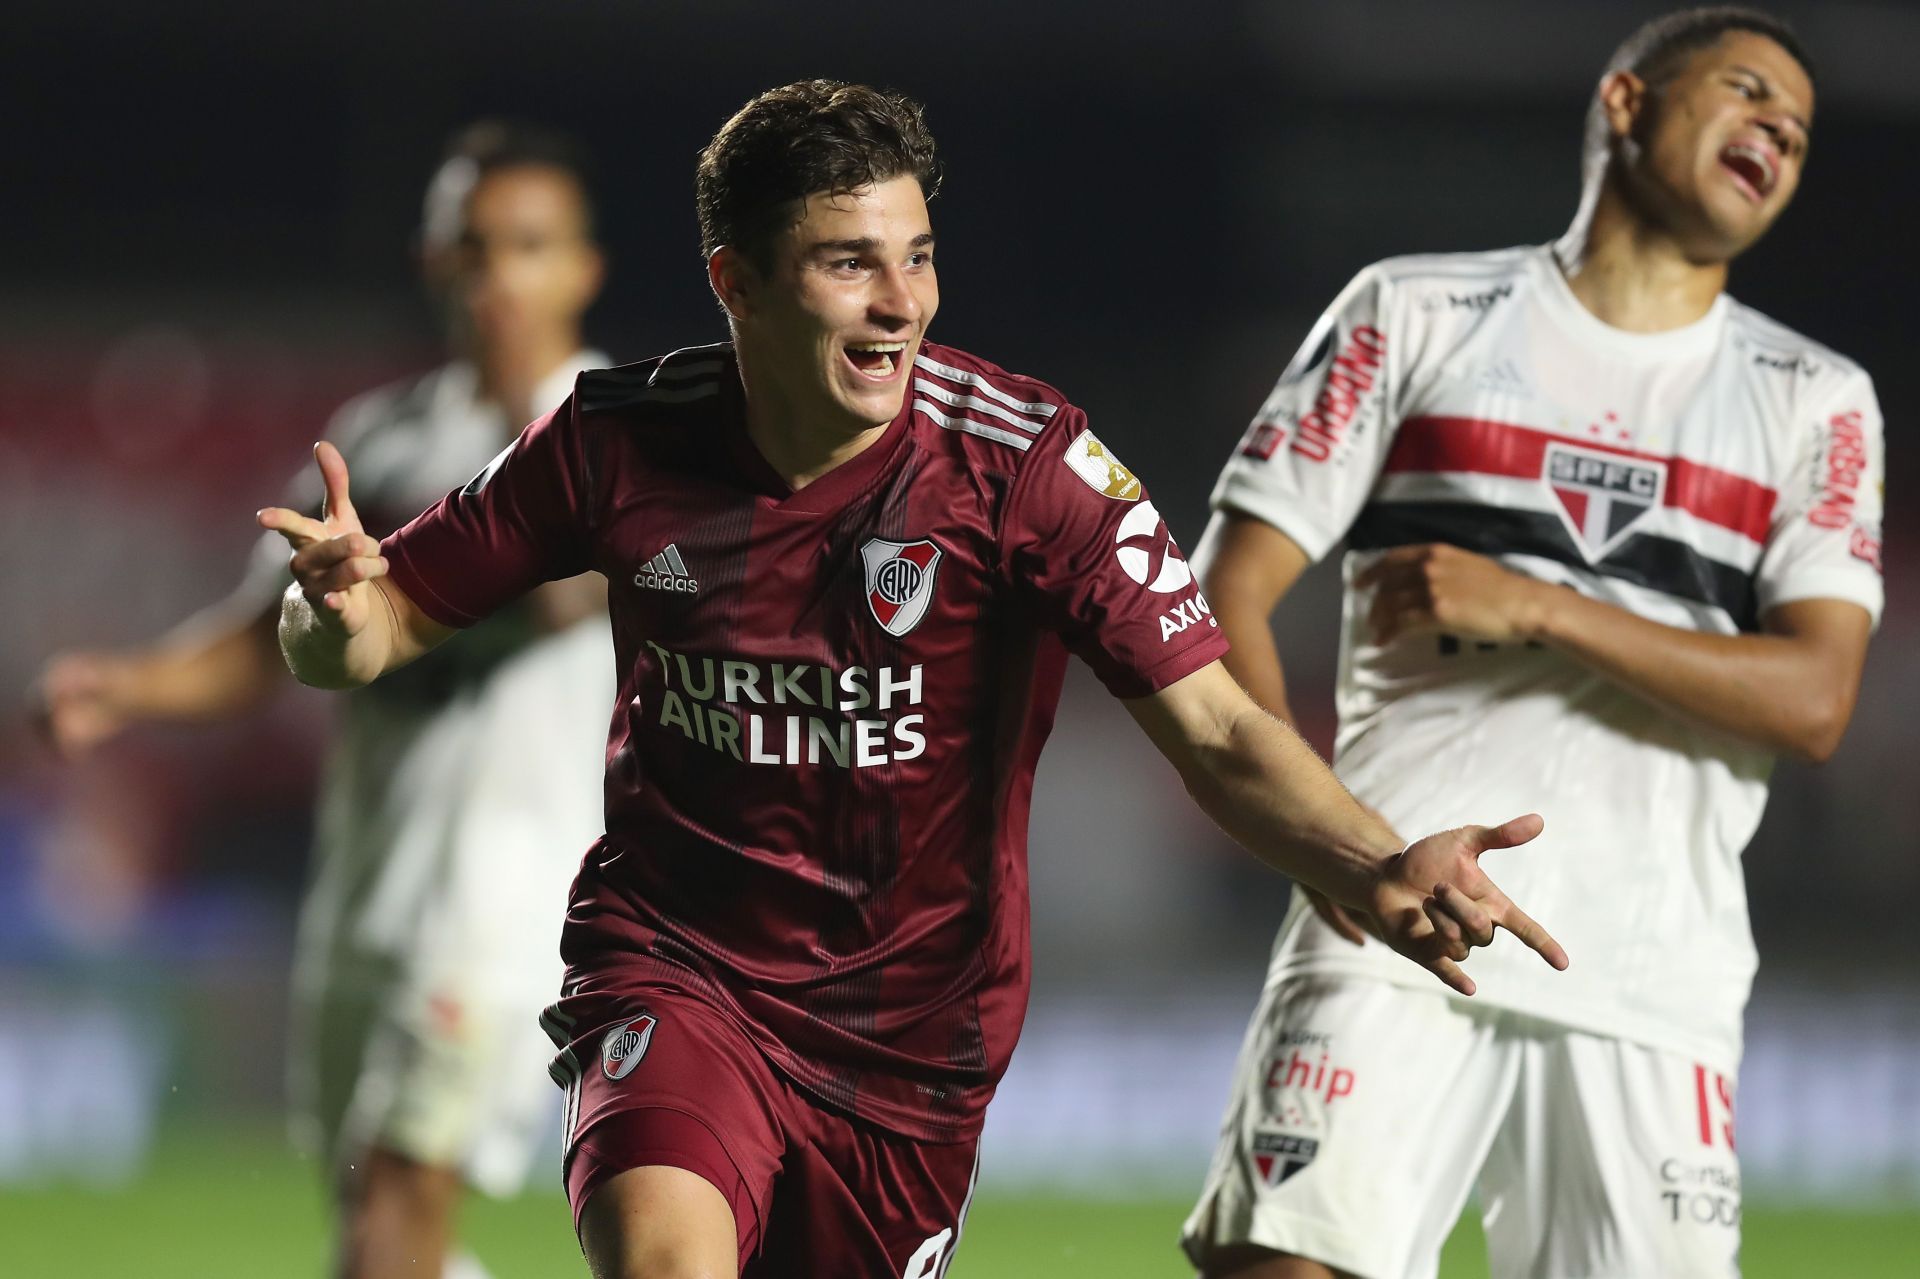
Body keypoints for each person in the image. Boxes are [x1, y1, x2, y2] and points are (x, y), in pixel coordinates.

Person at [258, 81, 1568, 1279]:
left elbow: (1217, 724)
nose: (901, 301)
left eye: (917, 256)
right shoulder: (614, 439)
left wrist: (1373, 860)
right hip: (677, 971)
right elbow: (372, 632)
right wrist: (326, 607)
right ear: (740, 281)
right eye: (849, 262)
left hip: (910, 1043)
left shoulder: (1026, 468)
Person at [1179, 9, 1884, 1278]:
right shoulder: (1415, 314)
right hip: (1395, 917)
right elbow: (1219, 594)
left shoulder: (1814, 401)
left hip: (1653, 977)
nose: (1777, 131)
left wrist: (1543, 605)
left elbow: (1819, 698)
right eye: (1745, 92)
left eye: (1799, 129)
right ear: (1625, 103)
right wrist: (1333, 847)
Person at [34, 122, 615, 1279]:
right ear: (433, 263)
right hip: (364, 889)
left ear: (582, 268)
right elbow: (265, 638)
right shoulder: (382, 438)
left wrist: (396, 583)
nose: (499, 273)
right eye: (474, 246)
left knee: (387, 1230)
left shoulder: (616, 431)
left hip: (504, 895)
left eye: (529, 244)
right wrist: (130, 685)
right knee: (382, 1233)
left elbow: (572, 593)